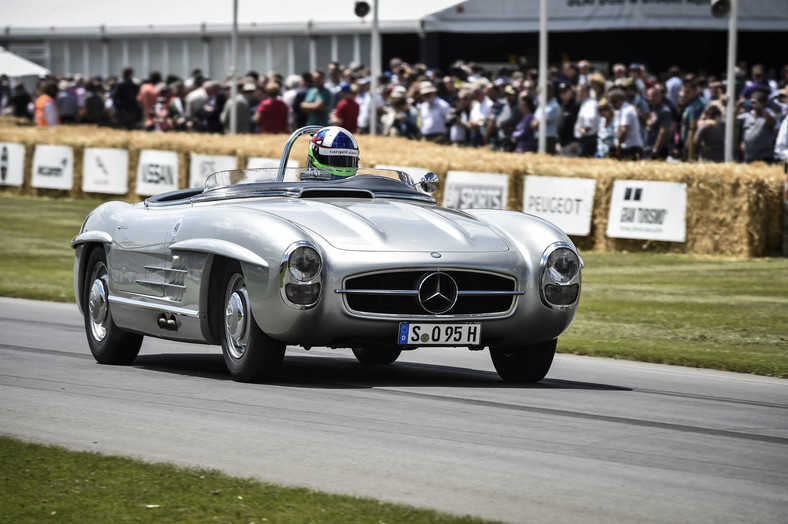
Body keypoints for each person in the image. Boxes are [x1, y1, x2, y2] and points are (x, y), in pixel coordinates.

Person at [737, 90, 777, 163]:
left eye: (755, 102)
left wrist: (761, 108)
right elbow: (732, 120)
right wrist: (738, 105)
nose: (753, 104)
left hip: (765, 157)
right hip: (749, 156)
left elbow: (772, 122)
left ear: (764, 102)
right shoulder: (747, 116)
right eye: (752, 102)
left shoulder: (769, 114)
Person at [608, 88, 643, 160]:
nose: (612, 105)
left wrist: (618, 146)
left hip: (631, 148)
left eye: (614, 102)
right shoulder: (620, 111)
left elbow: (624, 130)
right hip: (626, 146)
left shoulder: (627, 111)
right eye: (611, 102)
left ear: (620, 100)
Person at [644, 86, 674, 160]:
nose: (651, 99)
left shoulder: (664, 111)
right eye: (649, 96)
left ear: (660, 97)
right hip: (648, 146)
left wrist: (656, 149)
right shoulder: (650, 109)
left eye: (654, 96)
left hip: (659, 148)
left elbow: (663, 131)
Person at [574, 83, 599, 157]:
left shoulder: (590, 103)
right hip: (585, 138)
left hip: (588, 140)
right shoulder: (585, 103)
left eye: (580, 91)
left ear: (586, 92)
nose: (578, 94)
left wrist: (584, 129)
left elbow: (590, 119)